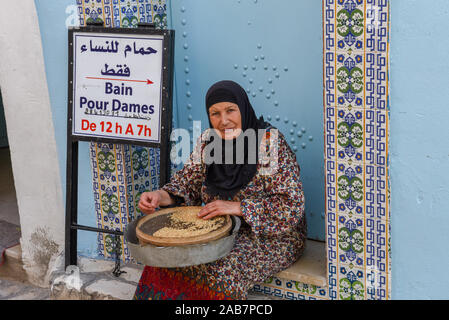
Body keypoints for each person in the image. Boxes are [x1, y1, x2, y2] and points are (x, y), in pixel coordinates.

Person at [133, 80, 306, 300]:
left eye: (230, 110)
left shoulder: (269, 144)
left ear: (243, 109)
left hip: (273, 237)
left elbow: (291, 207)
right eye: (215, 114)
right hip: (221, 230)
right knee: (165, 258)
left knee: (221, 266)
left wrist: (238, 207)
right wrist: (159, 196)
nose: (223, 121)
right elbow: (187, 183)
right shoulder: (208, 142)